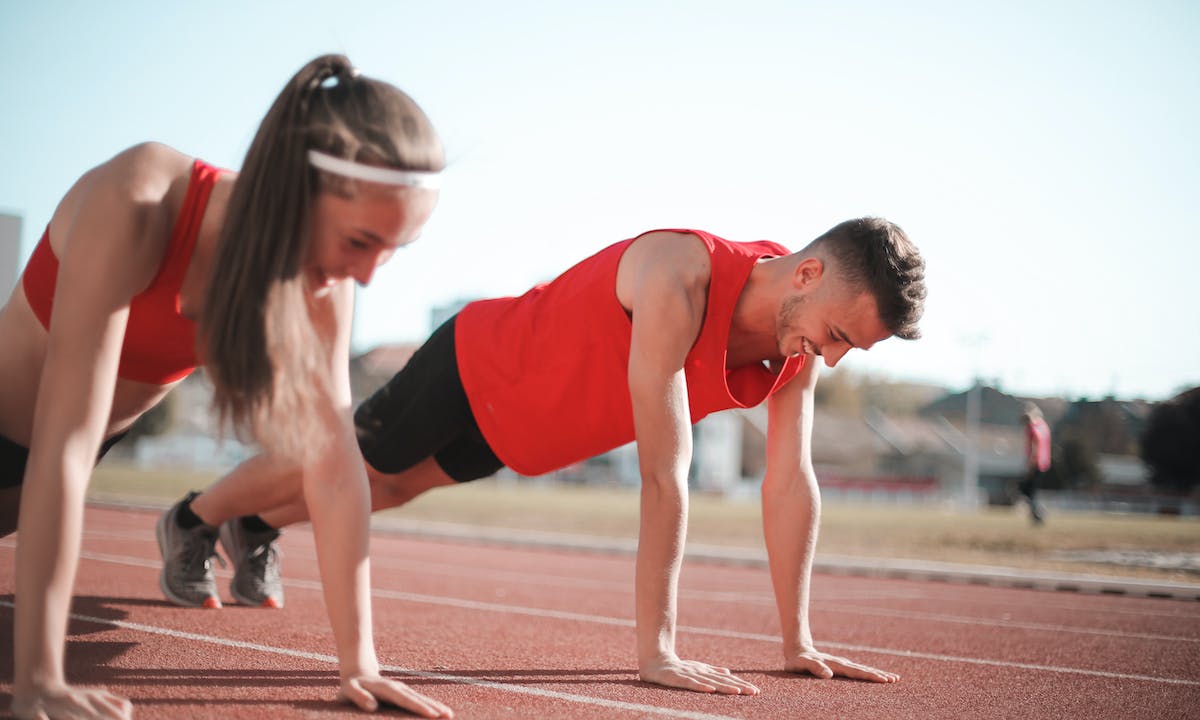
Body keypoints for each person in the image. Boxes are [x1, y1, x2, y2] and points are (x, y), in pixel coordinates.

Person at [167, 217, 926, 696]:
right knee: (357, 464)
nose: (831, 358)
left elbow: (792, 483)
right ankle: (194, 519)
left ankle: (254, 529)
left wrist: (797, 640)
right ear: (807, 274)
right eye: (837, 335)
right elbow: (666, 474)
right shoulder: (679, 274)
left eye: (849, 348)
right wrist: (656, 651)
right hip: (481, 362)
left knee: (389, 491)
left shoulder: (798, 355)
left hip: (528, 431)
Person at [2, 55, 453, 719]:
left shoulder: (317, 285)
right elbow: (62, 447)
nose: (368, 276)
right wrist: (38, 679)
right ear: (294, 187)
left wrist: (360, 666)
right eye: (361, 241)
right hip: (38, 438)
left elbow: (333, 472)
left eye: (392, 250)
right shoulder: (140, 201)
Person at [1019, 402, 1051, 525]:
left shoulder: (1032, 428)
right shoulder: (1043, 426)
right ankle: (1038, 513)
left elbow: (1035, 446)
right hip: (1044, 463)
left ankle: (1038, 514)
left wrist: (1030, 464)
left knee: (1027, 491)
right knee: (1032, 492)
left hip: (1036, 463)